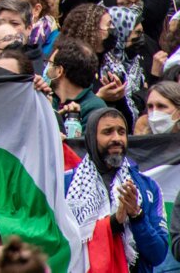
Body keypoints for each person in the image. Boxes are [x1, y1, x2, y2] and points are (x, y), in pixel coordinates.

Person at [64, 108, 168, 273]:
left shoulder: (147, 186)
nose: (117, 138)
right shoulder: (67, 185)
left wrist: (136, 215)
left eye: (121, 132)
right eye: (107, 132)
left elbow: (158, 254)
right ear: (91, 138)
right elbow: (62, 246)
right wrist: (114, 223)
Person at [47, 37, 107, 132]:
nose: (46, 69)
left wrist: (52, 114)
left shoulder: (95, 109)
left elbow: (80, 145)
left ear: (59, 71)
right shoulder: (49, 98)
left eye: (50, 64)